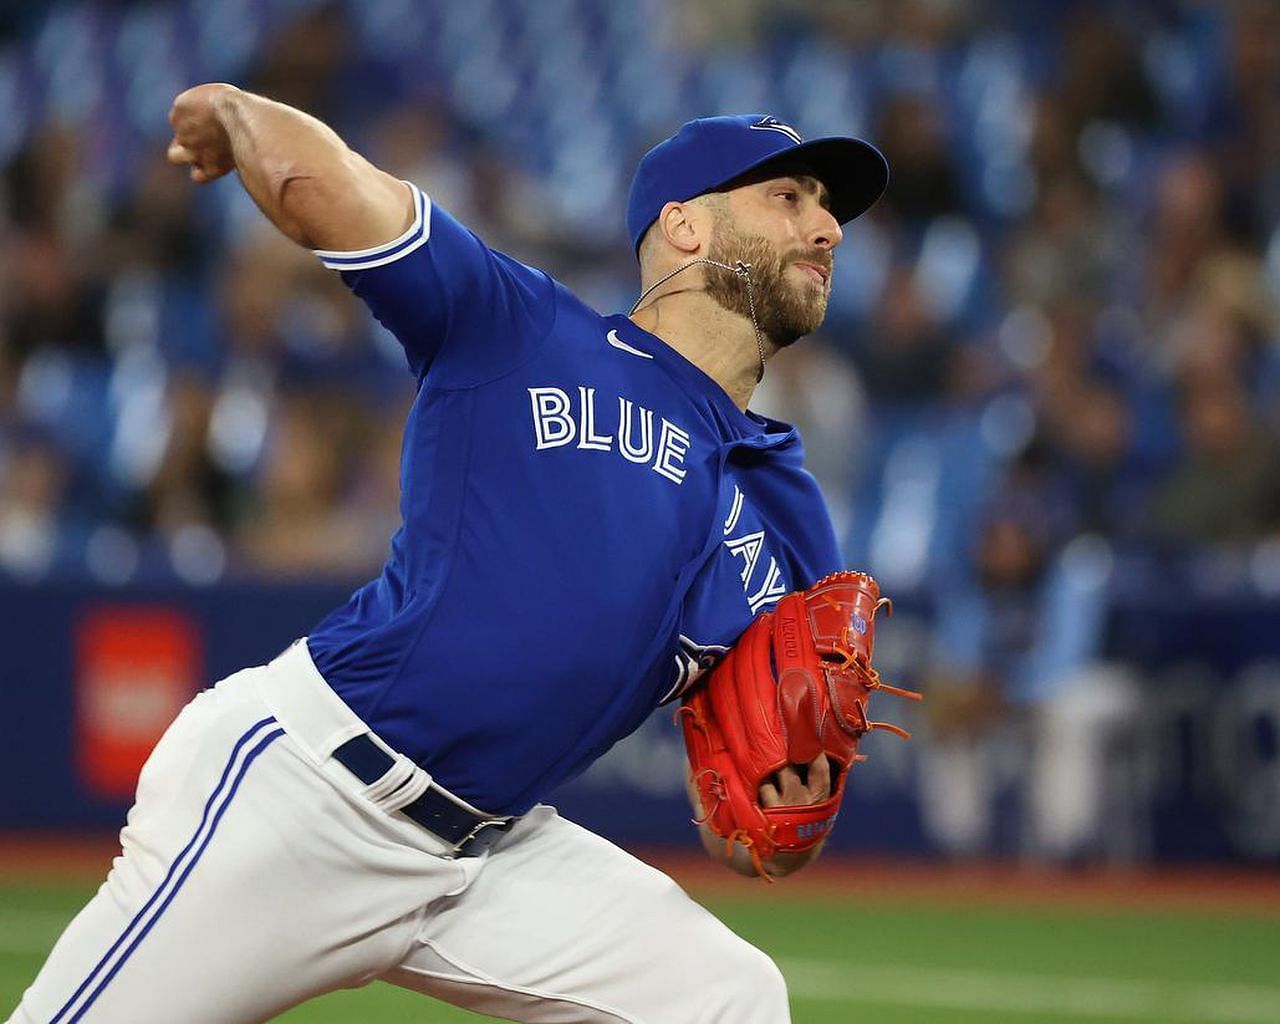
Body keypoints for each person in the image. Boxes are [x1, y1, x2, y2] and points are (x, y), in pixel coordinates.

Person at [8, 87, 887, 1024]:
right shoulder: (527, 332)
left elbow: (742, 820)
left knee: (729, 998)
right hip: (308, 795)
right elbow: (330, 188)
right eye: (788, 198)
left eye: (828, 208)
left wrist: (780, 818)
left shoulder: (787, 511)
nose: (827, 227)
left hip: (486, 862)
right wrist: (234, 109)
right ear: (683, 226)